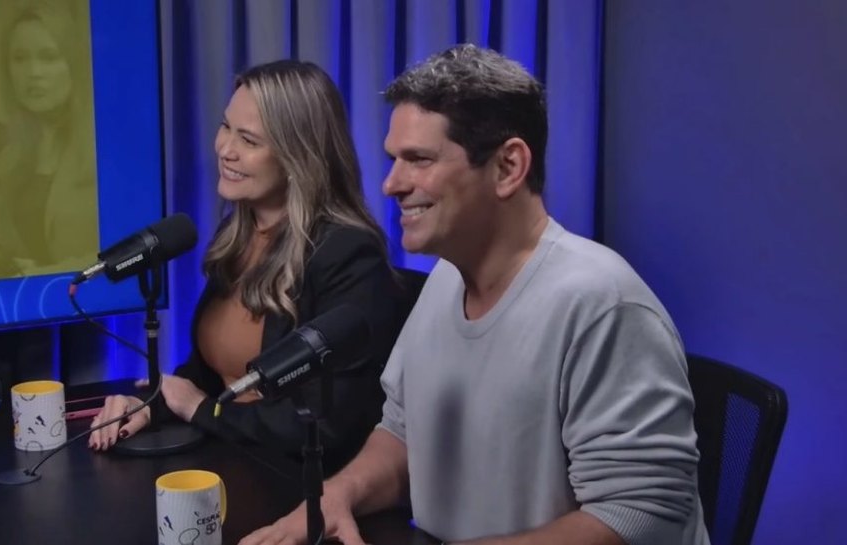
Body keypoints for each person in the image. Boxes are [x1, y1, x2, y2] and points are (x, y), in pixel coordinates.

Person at [242, 45, 710, 545]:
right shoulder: (446, 279)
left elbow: (636, 514)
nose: (390, 184)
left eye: (418, 160)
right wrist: (338, 495)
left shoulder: (602, 304)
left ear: (508, 166)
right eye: (394, 160)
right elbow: (402, 432)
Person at [89, 60, 407, 471]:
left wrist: (201, 409)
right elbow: (211, 374)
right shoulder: (238, 233)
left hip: (295, 476)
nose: (225, 149)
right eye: (226, 126)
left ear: (298, 157)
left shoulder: (348, 254)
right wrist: (154, 403)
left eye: (249, 140)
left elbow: (326, 424)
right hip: (228, 451)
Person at [0, 1, 99, 279]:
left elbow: (124, 251)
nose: (33, 73)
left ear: (74, 64)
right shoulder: (7, 151)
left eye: (49, 57)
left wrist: (44, 275)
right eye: (19, 59)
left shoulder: (103, 149)